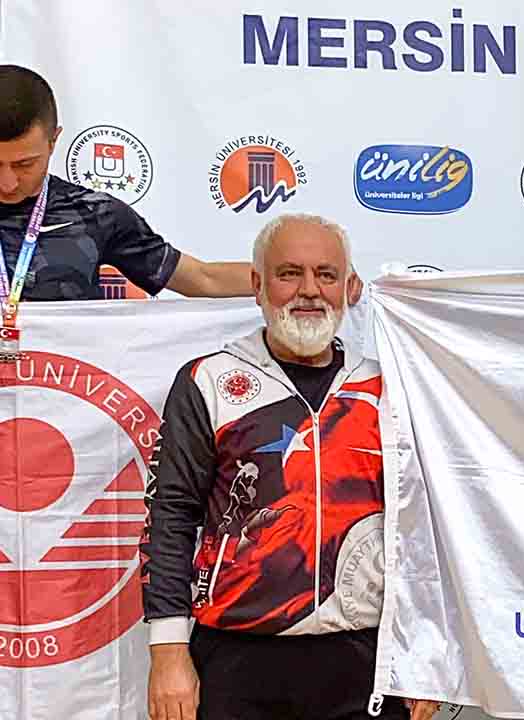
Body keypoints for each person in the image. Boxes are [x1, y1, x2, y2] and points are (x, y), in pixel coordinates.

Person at [140, 214, 437, 720]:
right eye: (289, 273)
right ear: (258, 285)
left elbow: (424, 527)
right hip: (236, 657)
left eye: (326, 275)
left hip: (366, 656)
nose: (309, 290)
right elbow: (170, 516)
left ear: (348, 287)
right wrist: (168, 651)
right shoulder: (207, 381)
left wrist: (425, 649)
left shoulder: (387, 389)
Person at [0, 64, 254, 301]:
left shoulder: (95, 213)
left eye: (25, 164)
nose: (7, 183)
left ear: (54, 141)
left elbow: (203, 279)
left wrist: (276, 277)